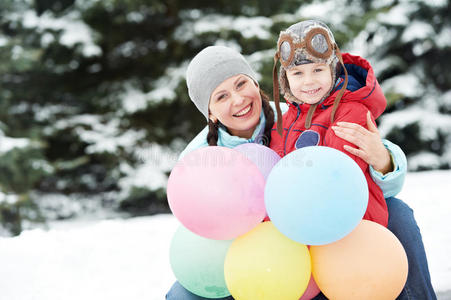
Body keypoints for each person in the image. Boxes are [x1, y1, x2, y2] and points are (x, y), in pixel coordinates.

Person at [166, 45, 435, 299]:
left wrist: (383, 160)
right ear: (210, 112)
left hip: (317, 246)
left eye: (241, 84)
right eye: (221, 96)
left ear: (256, 84)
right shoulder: (199, 159)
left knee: (397, 212)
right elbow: (204, 235)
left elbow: (359, 180)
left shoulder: (297, 116)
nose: (238, 99)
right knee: (181, 295)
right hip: (254, 264)